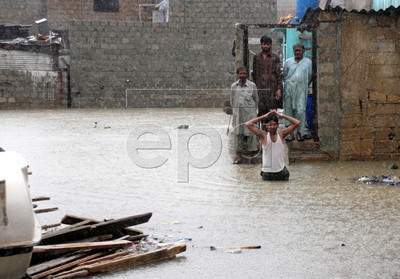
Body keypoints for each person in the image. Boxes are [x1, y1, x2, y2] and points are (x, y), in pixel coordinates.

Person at [245, 110, 300, 181]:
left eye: (274, 124)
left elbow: (297, 123)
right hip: (267, 173)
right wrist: (264, 116)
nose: (272, 127)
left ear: (277, 125)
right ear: (267, 125)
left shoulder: (281, 134)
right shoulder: (263, 135)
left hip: (281, 172)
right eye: (270, 125)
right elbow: (248, 124)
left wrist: (282, 116)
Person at [283, 44, 313, 141]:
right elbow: (284, 75)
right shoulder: (288, 62)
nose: (297, 52)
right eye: (295, 50)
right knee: (289, 110)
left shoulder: (308, 62)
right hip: (289, 89)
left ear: (303, 51)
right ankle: (289, 134)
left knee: (300, 110)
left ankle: (301, 133)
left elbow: (310, 75)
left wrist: (302, 84)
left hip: (301, 89)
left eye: (299, 50)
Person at [230, 67, 259, 164]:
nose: (242, 75)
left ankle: (252, 155)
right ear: (237, 74)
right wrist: (234, 112)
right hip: (238, 115)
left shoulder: (252, 85)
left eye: (244, 73)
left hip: (250, 114)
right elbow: (232, 100)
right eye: (240, 74)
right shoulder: (234, 86)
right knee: (238, 134)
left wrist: (254, 113)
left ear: (247, 74)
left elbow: (256, 99)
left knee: (251, 134)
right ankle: (238, 156)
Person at [252, 35, 283, 117]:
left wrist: (279, 89)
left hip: (272, 90)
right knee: (261, 113)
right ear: (261, 45)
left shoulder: (275, 58)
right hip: (260, 90)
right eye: (264, 44)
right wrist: (255, 89)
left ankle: (272, 129)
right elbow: (254, 74)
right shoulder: (256, 58)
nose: (265, 46)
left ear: (270, 45)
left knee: (272, 113)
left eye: (267, 44)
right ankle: (262, 129)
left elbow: (279, 74)